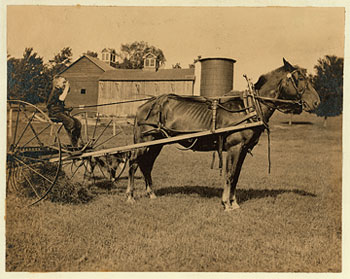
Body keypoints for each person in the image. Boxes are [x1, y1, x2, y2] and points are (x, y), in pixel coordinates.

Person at [47, 76, 82, 147]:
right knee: (71, 123)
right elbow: (61, 99)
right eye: (63, 82)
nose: (64, 84)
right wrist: (66, 87)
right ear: (57, 84)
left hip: (60, 112)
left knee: (78, 123)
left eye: (65, 82)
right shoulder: (55, 91)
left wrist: (66, 108)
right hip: (55, 113)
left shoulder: (60, 91)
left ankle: (75, 143)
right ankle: (74, 143)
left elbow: (59, 102)